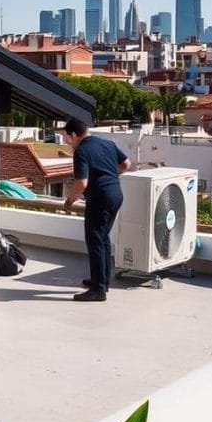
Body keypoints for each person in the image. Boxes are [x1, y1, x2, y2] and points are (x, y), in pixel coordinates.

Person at [61, 118, 131, 302]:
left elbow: (81, 183)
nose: (67, 142)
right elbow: (126, 164)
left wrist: (69, 201)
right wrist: (109, 176)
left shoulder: (81, 151)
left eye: (67, 137)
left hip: (100, 199)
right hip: (116, 195)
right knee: (103, 238)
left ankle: (98, 289)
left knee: (95, 241)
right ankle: (102, 280)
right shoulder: (107, 143)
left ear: (74, 134)